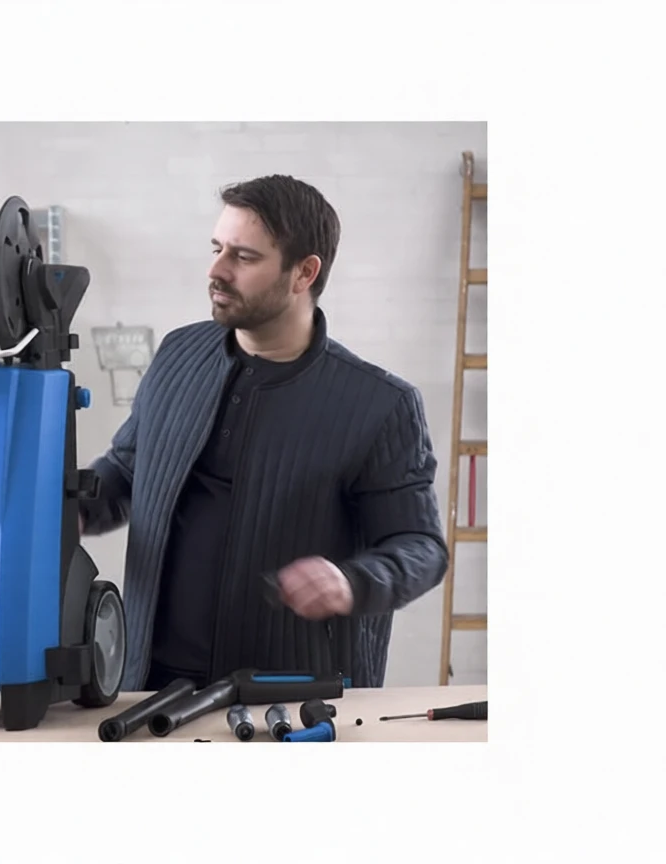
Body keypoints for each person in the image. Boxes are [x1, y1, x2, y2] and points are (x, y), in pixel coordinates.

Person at [77, 174, 449, 693]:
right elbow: (128, 468)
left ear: (304, 273)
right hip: (145, 684)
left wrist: (351, 581)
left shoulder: (380, 404)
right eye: (217, 249)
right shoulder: (178, 354)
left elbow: (421, 547)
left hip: (291, 697)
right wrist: (75, 509)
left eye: (244, 257)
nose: (216, 270)